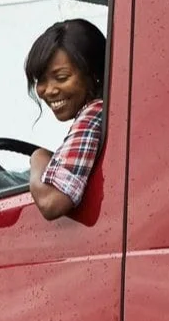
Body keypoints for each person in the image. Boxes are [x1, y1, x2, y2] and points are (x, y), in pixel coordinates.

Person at [22, 18, 108, 220]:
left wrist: (38, 157)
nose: (49, 90)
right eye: (41, 80)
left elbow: (52, 201)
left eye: (61, 78)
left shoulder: (94, 113)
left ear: (93, 74)